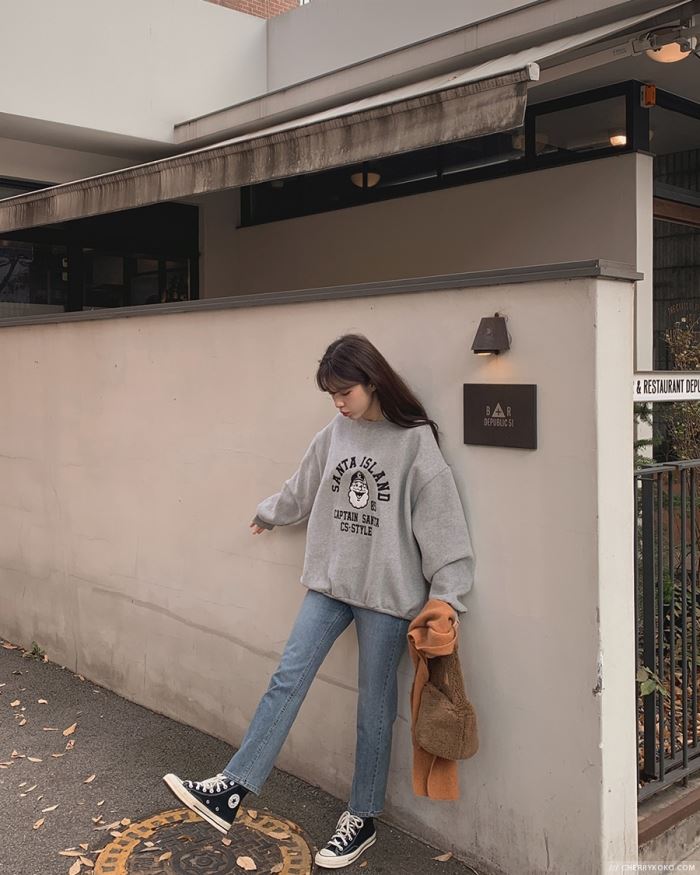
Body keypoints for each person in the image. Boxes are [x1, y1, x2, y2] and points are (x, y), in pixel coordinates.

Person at [163, 333, 475, 869]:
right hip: (330, 585)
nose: (338, 402)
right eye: (331, 394)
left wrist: (447, 596)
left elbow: (444, 528)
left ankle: (362, 818)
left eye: (344, 392)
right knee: (288, 676)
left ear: (372, 382)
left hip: (386, 598)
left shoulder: (414, 442)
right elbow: (304, 487)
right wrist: (270, 513)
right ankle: (232, 788)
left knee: (373, 708)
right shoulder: (335, 432)